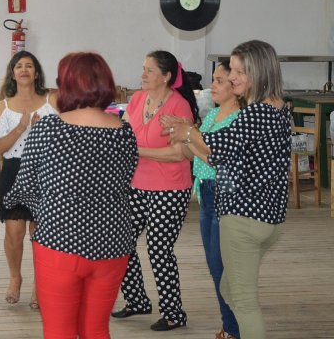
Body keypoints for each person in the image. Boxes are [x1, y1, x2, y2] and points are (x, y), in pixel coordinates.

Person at [163, 40, 291, 339]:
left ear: (258, 72)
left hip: (244, 217)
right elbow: (218, 154)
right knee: (228, 287)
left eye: (238, 71)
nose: (232, 77)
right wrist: (191, 133)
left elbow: (214, 148)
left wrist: (188, 131)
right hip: (267, 218)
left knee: (244, 302)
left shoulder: (255, 113)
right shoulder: (280, 109)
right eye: (230, 69)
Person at [4, 52, 138, 338]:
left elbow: (27, 186)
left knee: (59, 331)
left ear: (66, 84)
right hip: (112, 242)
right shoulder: (125, 132)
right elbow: (126, 181)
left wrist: (41, 206)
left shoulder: (49, 129)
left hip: (59, 241)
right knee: (97, 330)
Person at [112, 50, 199, 332]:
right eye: (143, 68)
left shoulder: (180, 106)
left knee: (159, 249)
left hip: (169, 188)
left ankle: (174, 313)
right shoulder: (137, 100)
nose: (143, 74)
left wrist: (137, 151)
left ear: (166, 76)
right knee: (120, 241)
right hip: (136, 184)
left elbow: (180, 154)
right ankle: (137, 300)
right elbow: (124, 133)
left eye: (149, 70)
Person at [0, 50, 57, 308]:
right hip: (15, 169)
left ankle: (41, 284)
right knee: (14, 230)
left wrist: (42, 131)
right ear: (13, 73)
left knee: (40, 232)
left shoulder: (53, 101)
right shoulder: (4, 106)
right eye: (19, 66)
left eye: (29, 66)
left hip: (46, 170)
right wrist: (20, 127)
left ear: (36, 73)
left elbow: (66, 138)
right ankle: (15, 277)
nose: (24, 70)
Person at [191, 60, 241, 339]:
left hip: (224, 195)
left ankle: (233, 329)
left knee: (223, 268)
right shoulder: (214, 115)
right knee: (215, 267)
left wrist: (189, 136)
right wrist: (186, 136)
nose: (213, 85)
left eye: (220, 80)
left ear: (236, 85)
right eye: (214, 79)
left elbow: (214, 157)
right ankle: (229, 326)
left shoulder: (238, 119)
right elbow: (199, 149)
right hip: (207, 194)